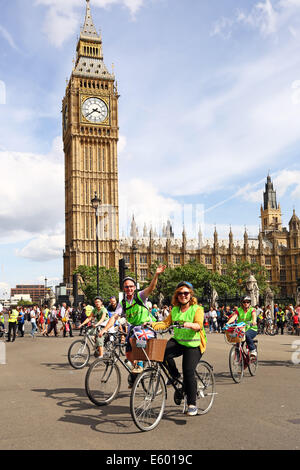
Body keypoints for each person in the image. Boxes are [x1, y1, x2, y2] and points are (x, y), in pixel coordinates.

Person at [151, 281, 207, 417]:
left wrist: (190, 324)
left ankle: (192, 404)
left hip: (193, 344)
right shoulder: (174, 310)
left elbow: (199, 324)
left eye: (186, 293)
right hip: (178, 341)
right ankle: (175, 376)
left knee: (188, 372)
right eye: (180, 293)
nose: (183, 295)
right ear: (177, 296)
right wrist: (151, 324)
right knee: (160, 353)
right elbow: (165, 323)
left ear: (190, 295)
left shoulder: (197, 309)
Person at [99, 264, 167, 375]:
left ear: (134, 287)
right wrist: (105, 329)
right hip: (134, 329)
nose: (129, 288)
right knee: (128, 355)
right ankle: (137, 372)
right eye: (126, 287)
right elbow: (114, 317)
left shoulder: (140, 296)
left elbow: (151, 288)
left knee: (133, 339)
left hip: (147, 327)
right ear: (123, 289)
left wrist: (156, 275)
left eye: (131, 286)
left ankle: (140, 364)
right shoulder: (123, 303)